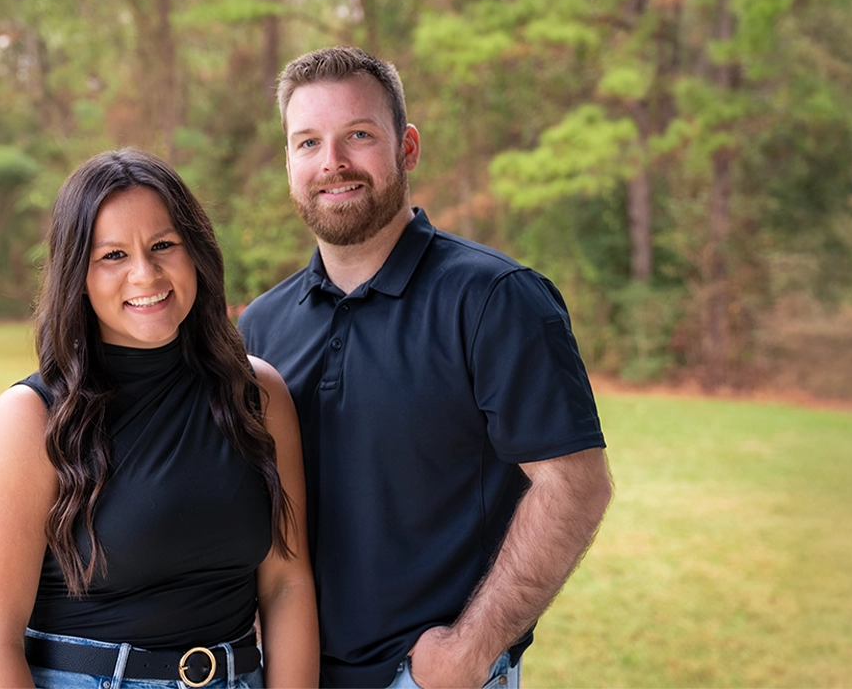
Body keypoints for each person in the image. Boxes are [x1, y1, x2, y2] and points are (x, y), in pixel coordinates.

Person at [237, 47, 615, 689]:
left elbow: (575, 486)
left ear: (406, 148)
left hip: (424, 678)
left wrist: (470, 649)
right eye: (308, 142)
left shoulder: (496, 299)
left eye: (359, 135)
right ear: (290, 162)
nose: (333, 163)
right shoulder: (260, 328)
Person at [0, 148, 319, 689]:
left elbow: (286, 585)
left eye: (163, 246)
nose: (144, 274)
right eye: (113, 256)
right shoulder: (31, 419)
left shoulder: (258, 396)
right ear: (77, 274)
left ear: (194, 251)